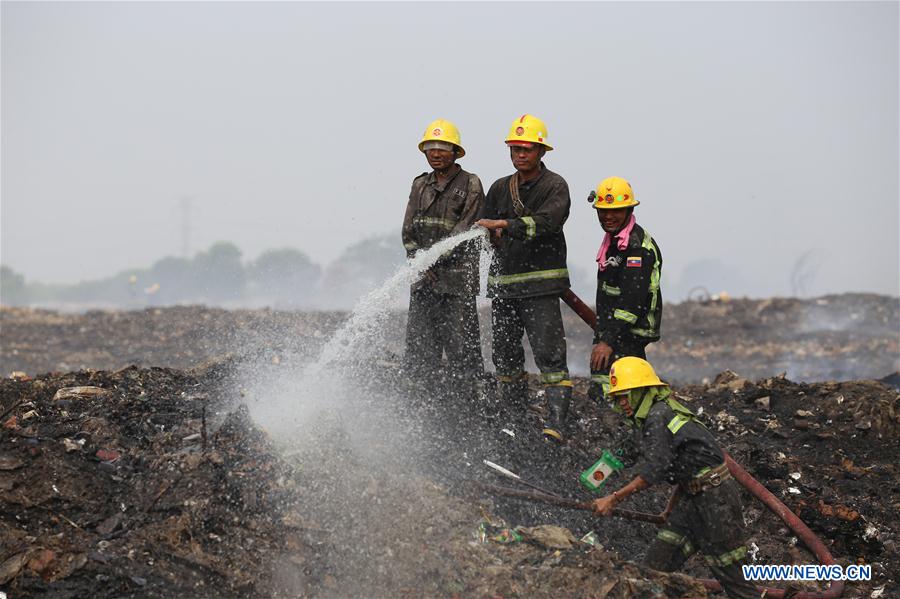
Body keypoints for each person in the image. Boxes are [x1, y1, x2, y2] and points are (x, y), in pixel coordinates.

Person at [592, 357, 758, 599]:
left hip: (716, 501)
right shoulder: (656, 415)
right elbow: (687, 468)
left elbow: (655, 469)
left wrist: (614, 499)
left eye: (625, 395)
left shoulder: (658, 416)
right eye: (618, 398)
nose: (622, 403)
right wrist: (669, 510)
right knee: (652, 569)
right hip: (693, 498)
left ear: (642, 391)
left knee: (734, 579)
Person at [476, 114, 572, 441]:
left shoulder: (554, 186)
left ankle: (557, 425)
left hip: (540, 288)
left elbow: (548, 222)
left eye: (527, 149)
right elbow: (486, 226)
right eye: (515, 149)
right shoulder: (499, 188)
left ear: (541, 151)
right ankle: (513, 422)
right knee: (505, 356)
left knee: (550, 356)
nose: (520, 154)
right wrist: (491, 234)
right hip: (504, 289)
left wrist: (506, 226)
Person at [401, 119, 485, 391]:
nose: (436, 153)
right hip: (423, 281)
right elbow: (408, 232)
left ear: (455, 152)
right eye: (431, 148)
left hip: (456, 284)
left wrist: (433, 259)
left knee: (463, 350)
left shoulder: (470, 184)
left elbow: (466, 229)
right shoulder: (419, 185)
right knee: (420, 350)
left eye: (443, 148)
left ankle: (466, 404)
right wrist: (420, 262)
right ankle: (422, 402)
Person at [588, 177, 663, 400]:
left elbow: (631, 301)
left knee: (615, 385)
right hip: (616, 328)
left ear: (630, 210)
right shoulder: (614, 241)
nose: (608, 216)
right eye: (603, 211)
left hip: (630, 329)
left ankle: (617, 417)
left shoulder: (637, 248)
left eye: (616, 211)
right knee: (618, 384)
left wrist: (607, 341)